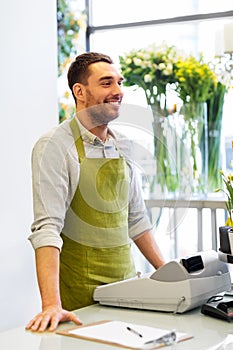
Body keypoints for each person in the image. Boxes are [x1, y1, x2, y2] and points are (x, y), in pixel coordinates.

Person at [26, 52, 165, 333]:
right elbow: (47, 228)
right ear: (80, 91)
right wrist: (51, 304)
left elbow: (136, 220)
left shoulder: (123, 144)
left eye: (119, 82)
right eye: (106, 83)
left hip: (128, 290)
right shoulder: (54, 145)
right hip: (82, 299)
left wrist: (169, 275)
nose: (118, 92)